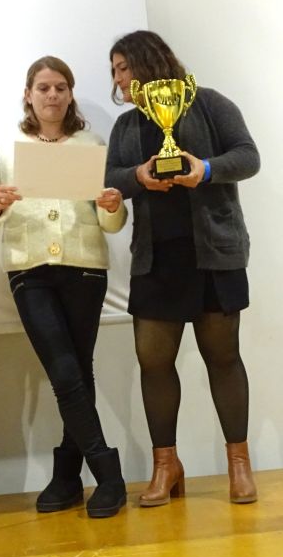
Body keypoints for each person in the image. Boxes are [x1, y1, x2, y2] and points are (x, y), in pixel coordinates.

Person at [0, 56, 128, 518]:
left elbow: (113, 221)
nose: (52, 95)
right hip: (29, 270)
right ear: (28, 94)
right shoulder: (7, 146)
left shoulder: (91, 144)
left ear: (71, 93)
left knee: (76, 371)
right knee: (63, 369)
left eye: (61, 87)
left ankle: (66, 477)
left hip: (85, 269)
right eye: (43, 87)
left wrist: (113, 206)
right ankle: (108, 473)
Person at [106, 30, 260, 507]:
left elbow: (248, 156)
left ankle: (239, 464)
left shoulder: (209, 103)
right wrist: (138, 177)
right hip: (156, 259)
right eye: (114, 72)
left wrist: (204, 169)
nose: (118, 79)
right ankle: (166, 465)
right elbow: (110, 177)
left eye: (123, 68)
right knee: (153, 361)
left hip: (214, 255)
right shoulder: (126, 126)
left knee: (223, 357)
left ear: (148, 61)